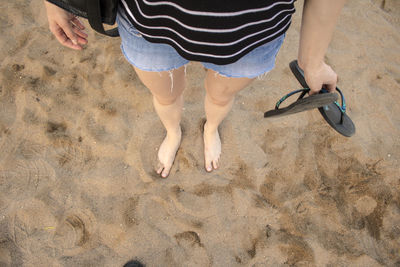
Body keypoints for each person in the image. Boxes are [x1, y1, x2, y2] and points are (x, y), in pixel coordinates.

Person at [44, 0, 346, 178]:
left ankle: (210, 128)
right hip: (150, 24)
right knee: (165, 95)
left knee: (220, 96)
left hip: (250, 35)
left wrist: (313, 61)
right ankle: (174, 132)